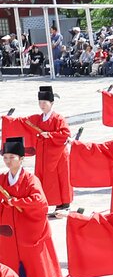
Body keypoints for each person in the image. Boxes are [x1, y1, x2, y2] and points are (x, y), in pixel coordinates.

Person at [0, 137, 60, 277]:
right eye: (5, 157)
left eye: (12, 157)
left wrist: (17, 202)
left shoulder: (30, 179)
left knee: (30, 257)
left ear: (21, 159)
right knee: (9, 256)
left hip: (27, 224)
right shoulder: (2, 179)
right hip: (8, 225)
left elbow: (39, 201)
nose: (8, 161)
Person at [21, 85, 72, 213]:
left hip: (57, 153)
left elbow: (65, 133)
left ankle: (64, 203)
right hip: (43, 154)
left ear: (52, 103)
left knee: (60, 177)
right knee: (43, 177)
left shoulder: (58, 118)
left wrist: (49, 134)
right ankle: (44, 201)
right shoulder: (39, 118)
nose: (42, 105)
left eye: (44, 102)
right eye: (40, 102)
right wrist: (8, 120)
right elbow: (23, 122)